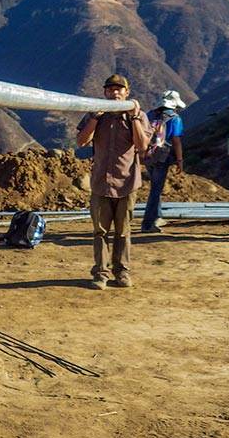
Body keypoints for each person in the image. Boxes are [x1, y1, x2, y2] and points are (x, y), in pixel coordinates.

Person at [76, 74, 150, 289]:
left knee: (123, 231)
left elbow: (142, 145)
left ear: (127, 92)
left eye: (119, 89)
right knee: (100, 232)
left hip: (127, 183)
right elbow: (81, 141)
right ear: (105, 92)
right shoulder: (96, 114)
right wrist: (94, 118)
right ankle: (101, 273)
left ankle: (122, 271)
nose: (115, 92)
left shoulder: (139, 116)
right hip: (101, 183)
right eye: (110, 89)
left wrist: (134, 118)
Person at [140, 89, 187, 233]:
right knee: (156, 189)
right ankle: (148, 223)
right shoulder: (175, 118)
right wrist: (180, 160)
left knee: (155, 186)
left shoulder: (149, 115)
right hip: (163, 156)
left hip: (147, 155)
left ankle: (157, 216)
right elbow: (176, 141)